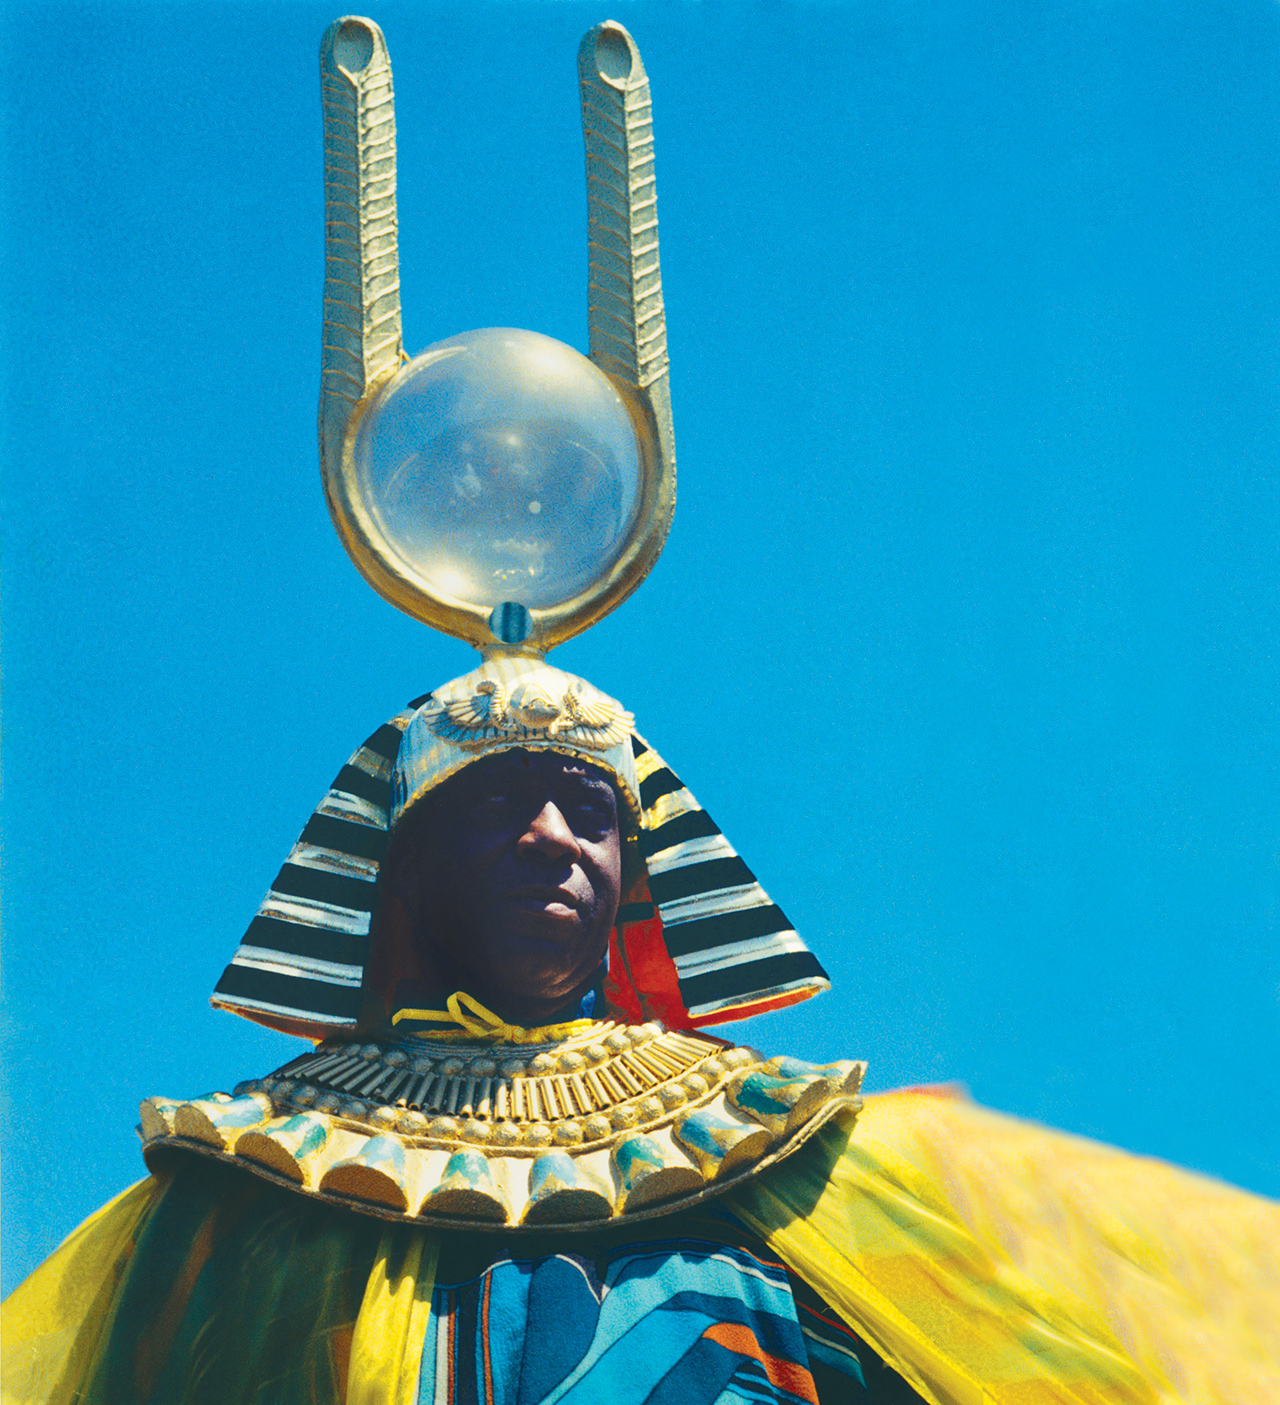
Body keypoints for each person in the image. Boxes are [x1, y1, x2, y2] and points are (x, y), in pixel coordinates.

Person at [4, 656, 1278, 1405]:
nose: (550, 837)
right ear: (409, 871)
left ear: (633, 874)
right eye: (495, 803)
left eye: (586, 808)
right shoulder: (250, 1180)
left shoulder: (788, 1151)